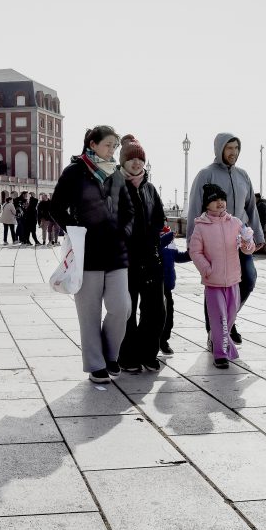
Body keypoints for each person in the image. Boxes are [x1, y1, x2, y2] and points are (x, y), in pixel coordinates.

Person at [51, 125, 133, 384]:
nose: (112, 150)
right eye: (108, 145)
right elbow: (56, 207)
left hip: (117, 253)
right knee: (89, 313)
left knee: (122, 308)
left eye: (114, 146)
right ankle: (96, 364)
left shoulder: (116, 175)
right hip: (87, 253)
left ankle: (110, 355)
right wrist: (76, 231)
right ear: (93, 144)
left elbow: (129, 211)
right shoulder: (74, 172)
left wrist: (124, 232)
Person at [187, 133, 264, 346]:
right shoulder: (206, 174)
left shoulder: (243, 175)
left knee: (248, 279)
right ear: (220, 149)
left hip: (238, 238)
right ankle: (215, 332)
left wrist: (257, 235)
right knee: (215, 286)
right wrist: (192, 241)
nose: (233, 152)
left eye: (236, 148)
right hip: (213, 240)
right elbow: (195, 207)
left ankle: (227, 322)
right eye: (229, 148)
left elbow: (251, 207)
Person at [109, 135, 165, 373]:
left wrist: (153, 241)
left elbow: (159, 218)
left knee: (156, 309)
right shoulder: (114, 186)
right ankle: (127, 356)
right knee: (128, 310)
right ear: (123, 161)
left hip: (150, 257)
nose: (136, 162)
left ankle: (148, 353)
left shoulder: (149, 189)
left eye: (140, 159)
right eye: (131, 158)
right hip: (125, 258)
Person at [189, 183, 257, 368]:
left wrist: (247, 242)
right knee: (219, 318)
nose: (220, 203)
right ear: (206, 204)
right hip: (213, 282)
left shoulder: (235, 223)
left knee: (230, 316)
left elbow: (248, 249)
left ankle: (215, 339)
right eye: (215, 200)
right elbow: (195, 251)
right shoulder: (201, 226)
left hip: (233, 279)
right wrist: (207, 269)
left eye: (222, 199)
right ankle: (220, 354)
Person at [159, 220, 190, 355]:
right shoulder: (154, 238)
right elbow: (156, 248)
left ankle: (164, 340)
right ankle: (153, 342)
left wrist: (190, 254)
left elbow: (177, 256)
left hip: (168, 285)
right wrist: (167, 236)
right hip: (156, 285)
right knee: (157, 316)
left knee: (169, 315)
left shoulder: (170, 240)